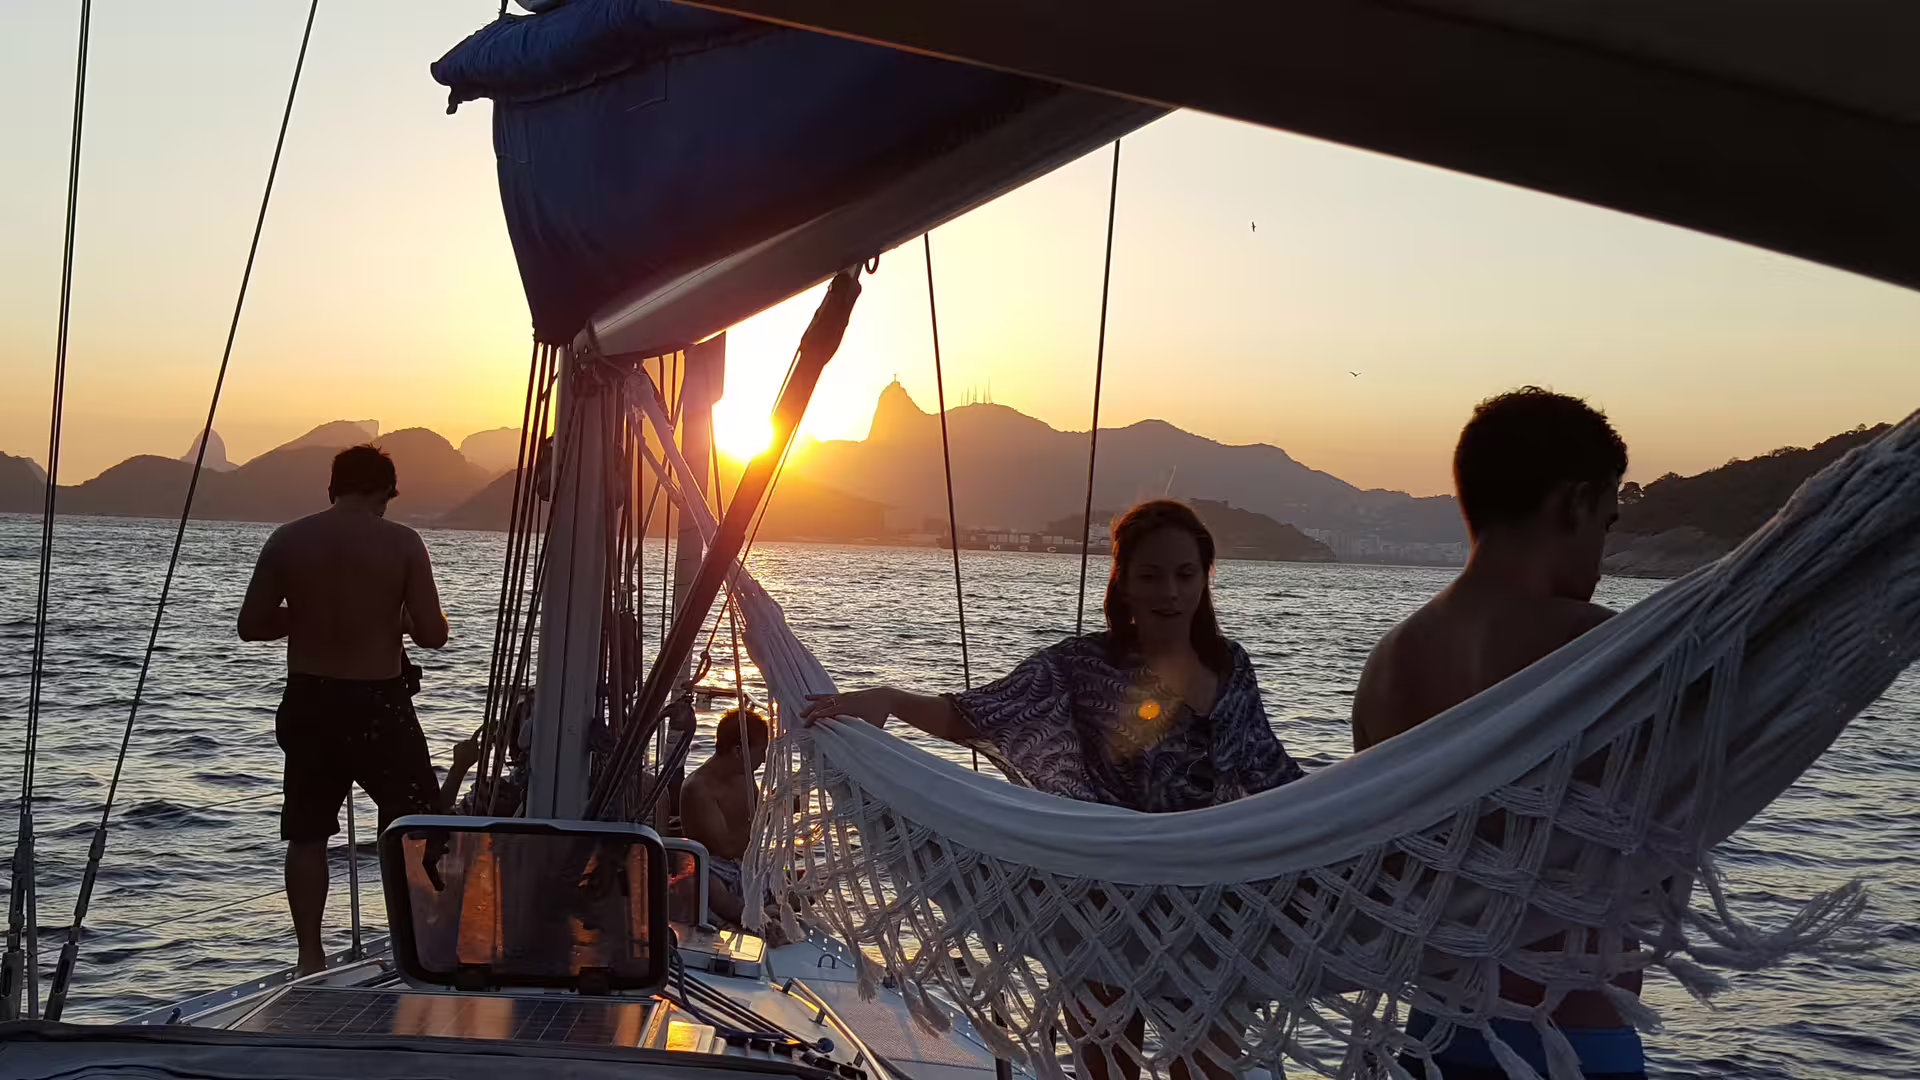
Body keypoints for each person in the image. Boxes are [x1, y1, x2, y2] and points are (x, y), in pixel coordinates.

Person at [802, 498, 1303, 1079]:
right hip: (1102, 894)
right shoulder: (1083, 666)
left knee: (1210, 1066)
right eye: (1151, 575)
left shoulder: (1231, 666)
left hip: (1209, 901)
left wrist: (1369, 809)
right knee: (1106, 1066)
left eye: (1185, 574)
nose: (1170, 591)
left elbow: (1270, 773)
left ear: (1205, 578)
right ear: (1125, 583)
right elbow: (977, 714)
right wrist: (889, 697)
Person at [1351, 387, 1642, 1080]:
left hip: (1435, 1036)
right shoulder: (1599, 649)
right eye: (1606, 522)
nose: (1604, 552)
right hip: (1570, 1039)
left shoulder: (1389, 663)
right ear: (1573, 503)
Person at [238, 444, 449, 974]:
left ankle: (310, 955)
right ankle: (419, 945)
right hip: (378, 703)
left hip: (309, 699)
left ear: (333, 487)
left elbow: (253, 624)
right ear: (384, 491)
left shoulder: (288, 539)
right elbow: (433, 635)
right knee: (416, 826)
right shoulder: (402, 542)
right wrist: (391, 617)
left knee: (307, 832)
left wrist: (305, 615)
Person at [679, 707, 770, 929]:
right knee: (710, 885)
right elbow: (725, 848)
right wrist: (772, 814)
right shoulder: (699, 788)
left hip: (746, 862)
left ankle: (763, 909)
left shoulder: (745, 777)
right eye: (761, 751)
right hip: (714, 867)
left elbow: (758, 814)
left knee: (807, 886)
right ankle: (755, 916)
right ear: (739, 751)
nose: (765, 758)